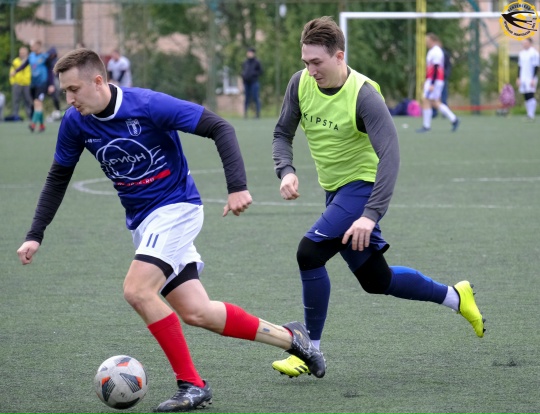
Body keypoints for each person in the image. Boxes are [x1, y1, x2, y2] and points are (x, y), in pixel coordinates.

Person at [16, 48, 325, 412]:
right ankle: (292, 338)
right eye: (65, 90)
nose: (68, 99)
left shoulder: (147, 105)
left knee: (137, 290)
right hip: (144, 223)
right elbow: (58, 178)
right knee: (197, 312)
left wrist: (237, 187)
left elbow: (219, 127)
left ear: (98, 81)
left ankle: (192, 385)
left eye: (73, 89)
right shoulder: (75, 122)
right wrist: (35, 233)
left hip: (177, 209)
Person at [271, 17, 485, 378]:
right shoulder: (300, 83)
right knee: (376, 280)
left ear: (339, 56)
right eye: (305, 62)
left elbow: (390, 155)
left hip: (363, 189)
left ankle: (309, 350)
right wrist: (286, 170)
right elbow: (282, 134)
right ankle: (456, 296)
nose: (310, 70)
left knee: (309, 253)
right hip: (335, 192)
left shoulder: (364, 95)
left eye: (317, 62)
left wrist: (370, 214)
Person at [416, 33, 459, 133]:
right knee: (434, 102)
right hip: (433, 80)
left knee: (426, 100)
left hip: (435, 80)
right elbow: (431, 68)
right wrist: (426, 80)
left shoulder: (436, 51)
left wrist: (431, 83)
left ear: (432, 40)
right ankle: (454, 119)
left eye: (427, 41)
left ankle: (427, 126)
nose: (426, 43)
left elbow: (436, 68)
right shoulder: (433, 51)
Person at [12, 40, 54, 133]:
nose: (31, 47)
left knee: (37, 103)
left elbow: (50, 71)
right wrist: (16, 71)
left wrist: (51, 85)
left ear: (38, 46)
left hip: (42, 84)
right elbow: (24, 65)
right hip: (33, 84)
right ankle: (42, 125)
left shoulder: (45, 57)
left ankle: (33, 124)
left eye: (33, 46)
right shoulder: (31, 56)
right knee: (38, 105)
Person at [516, 38, 539, 122]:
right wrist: (518, 78)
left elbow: (536, 66)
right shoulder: (521, 53)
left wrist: (533, 78)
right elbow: (519, 66)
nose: (524, 44)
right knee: (525, 95)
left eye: (526, 43)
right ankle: (529, 114)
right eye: (523, 43)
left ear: (530, 43)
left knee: (530, 95)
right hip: (523, 78)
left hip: (530, 78)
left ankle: (531, 114)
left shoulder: (534, 53)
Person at [9, 46, 33, 121]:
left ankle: (30, 116)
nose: (21, 54)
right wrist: (13, 82)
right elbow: (12, 72)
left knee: (28, 100)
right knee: (16, 100)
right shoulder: (15, 61)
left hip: (26, 84)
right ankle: (15, 116)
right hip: (17, 84)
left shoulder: (30, 61)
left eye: (23, 53)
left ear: (27, 53)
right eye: (20, 53)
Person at [241, 47, 263, 118]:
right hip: (246, 83)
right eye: (248, 53)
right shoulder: (245, 62)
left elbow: (261, 71)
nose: (249, 54)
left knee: (255, 97)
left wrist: (254, 74)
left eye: (250, 53)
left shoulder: (257, 62)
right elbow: (243, 71)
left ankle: (257, 114)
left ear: (253, 53)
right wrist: (243, 76)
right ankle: (245, 114)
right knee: (246, 98)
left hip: (254, 82)